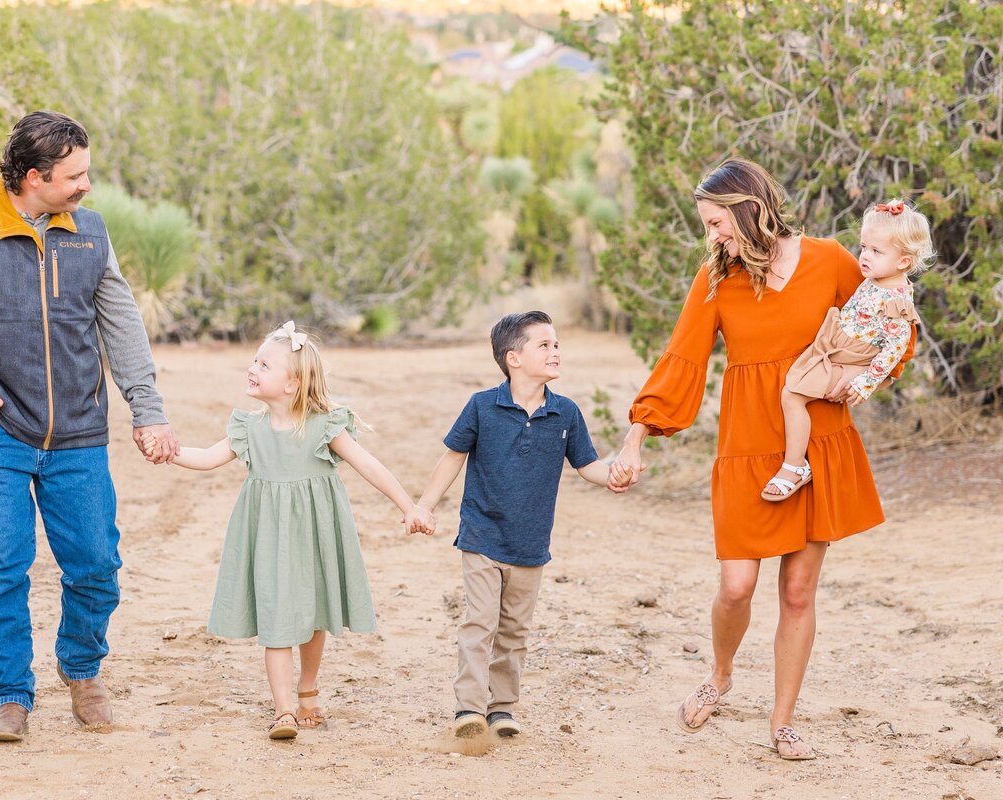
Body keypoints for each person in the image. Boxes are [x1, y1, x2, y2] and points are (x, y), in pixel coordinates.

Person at [607, 158, 915, 760]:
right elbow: (683, 358)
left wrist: (852, 379)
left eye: (717, 222)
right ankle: (720, 674)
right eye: (707, 225)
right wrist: (636, 436)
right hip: (748, 443)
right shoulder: (716, 278)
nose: (712, 235)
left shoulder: (829, 260)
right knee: (736, 584)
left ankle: (782, 722)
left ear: (749, 209)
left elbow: (887, 322)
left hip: (817, 435)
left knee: (798, 592)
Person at [0, 111, 179, 742]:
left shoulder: (90, 231)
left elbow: (121, 323)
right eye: (74, 176)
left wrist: (147, 407)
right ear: (34, 177)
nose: (87, 186)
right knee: (1, 563)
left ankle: (81, 670)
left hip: (79, 430)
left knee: (96, 563)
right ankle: (8, 696)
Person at [145, 322, 428, 740]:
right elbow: (206, 457)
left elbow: (369, 465)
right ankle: (283, 711)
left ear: (293, 384)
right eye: (254, 360)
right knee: (277, 616)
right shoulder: (249, 428)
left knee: (312, 615)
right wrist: (168, 452)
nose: (252, 368)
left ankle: (308, 688)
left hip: (315, 533)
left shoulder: (324, 427)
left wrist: (409, 506)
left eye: (264, 364)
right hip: (269, 536)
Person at [412, 311, 613, 740]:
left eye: (557, 344)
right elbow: (452, 457)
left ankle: (501, 707)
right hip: (482, 535)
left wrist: (615, 474)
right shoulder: (483, 405)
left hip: (531, 543)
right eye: (544, 345)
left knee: (514, 631)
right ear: (513, 358)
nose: (555, 351)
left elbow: (588, 466)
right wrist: (424, 506)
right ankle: (469, 708)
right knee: (480, 623)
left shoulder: (565, 413)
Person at [763, 200, 928, 501]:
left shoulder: (896, 299)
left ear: (903, 262)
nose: (864, 257)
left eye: (876, 252)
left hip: (850, 357)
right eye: (864, 247)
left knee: (792, 395)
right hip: (835, 343)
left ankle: (795, 465)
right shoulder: (877, 279)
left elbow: (896, 346)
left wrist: (865, 382)